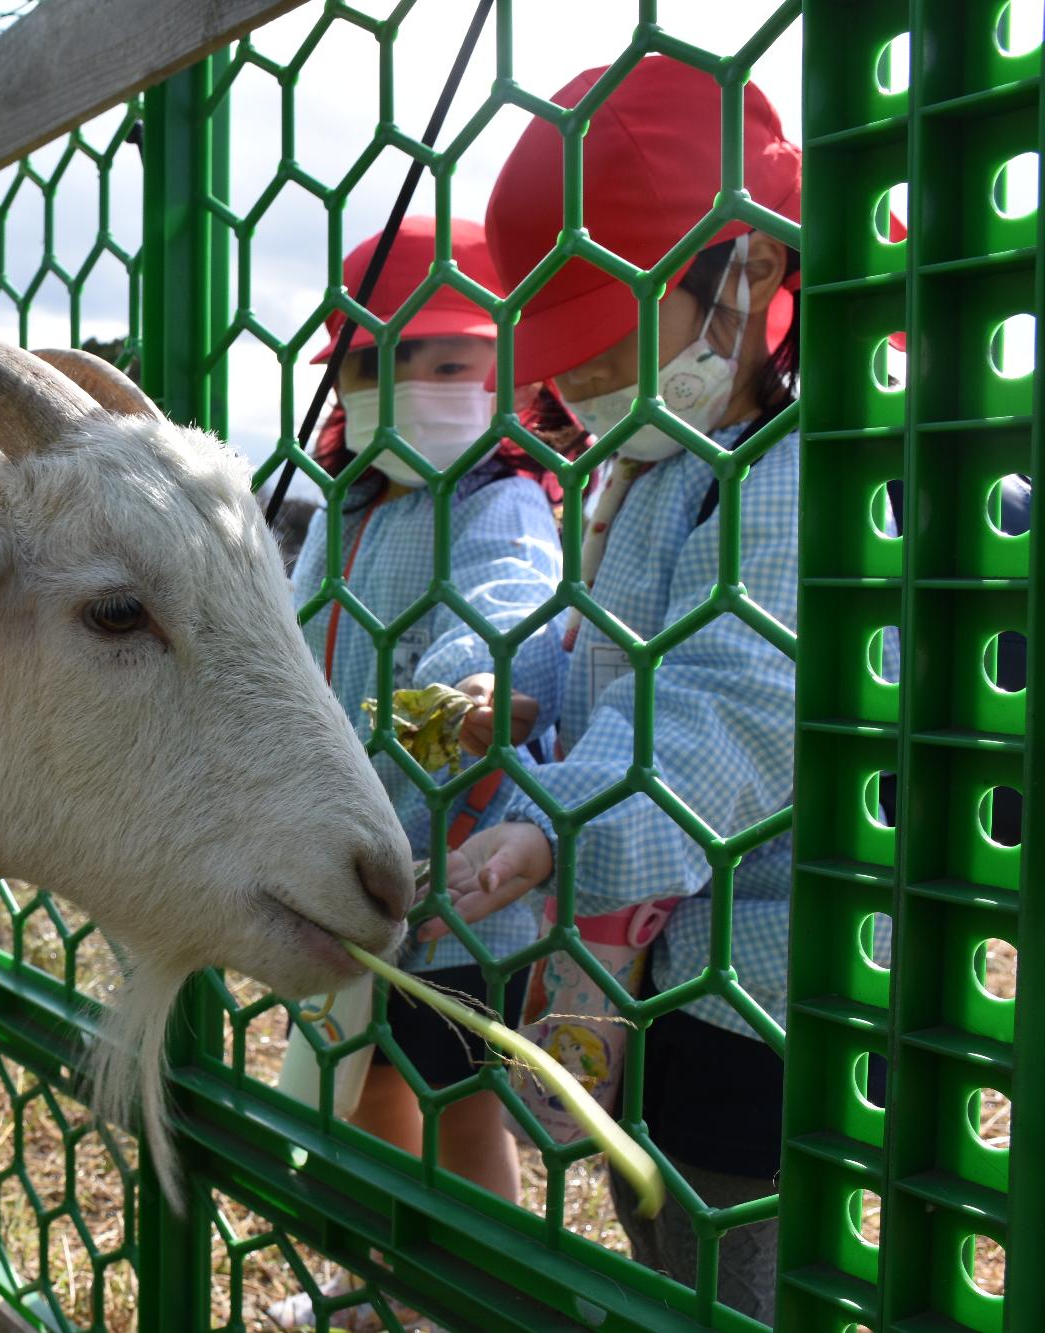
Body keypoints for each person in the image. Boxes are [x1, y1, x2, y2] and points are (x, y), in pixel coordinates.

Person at [424, 57, 814, 1322]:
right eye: (561, 356)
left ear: (744, 274)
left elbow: (723, 715)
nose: (577, 385)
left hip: (757, 967)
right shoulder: (648, 471)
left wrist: (552, 826)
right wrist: (503, 684)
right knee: (654, 1212)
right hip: (650, 946)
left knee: (725, 1247)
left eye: (602, 341)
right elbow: (589, 647)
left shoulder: (787, 474)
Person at [268, 216, 566, 1333]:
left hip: (458, 867)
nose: (423, 384)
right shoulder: (344, 510)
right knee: (366, 1084)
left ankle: (482, 1296)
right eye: (383, 361)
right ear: (342, 382)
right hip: (350, 862)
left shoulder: (501, 501)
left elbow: (502, 620)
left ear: (506, 372)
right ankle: (397, 1282)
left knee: (454, 1097)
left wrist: (459, 701)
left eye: (450, 359)